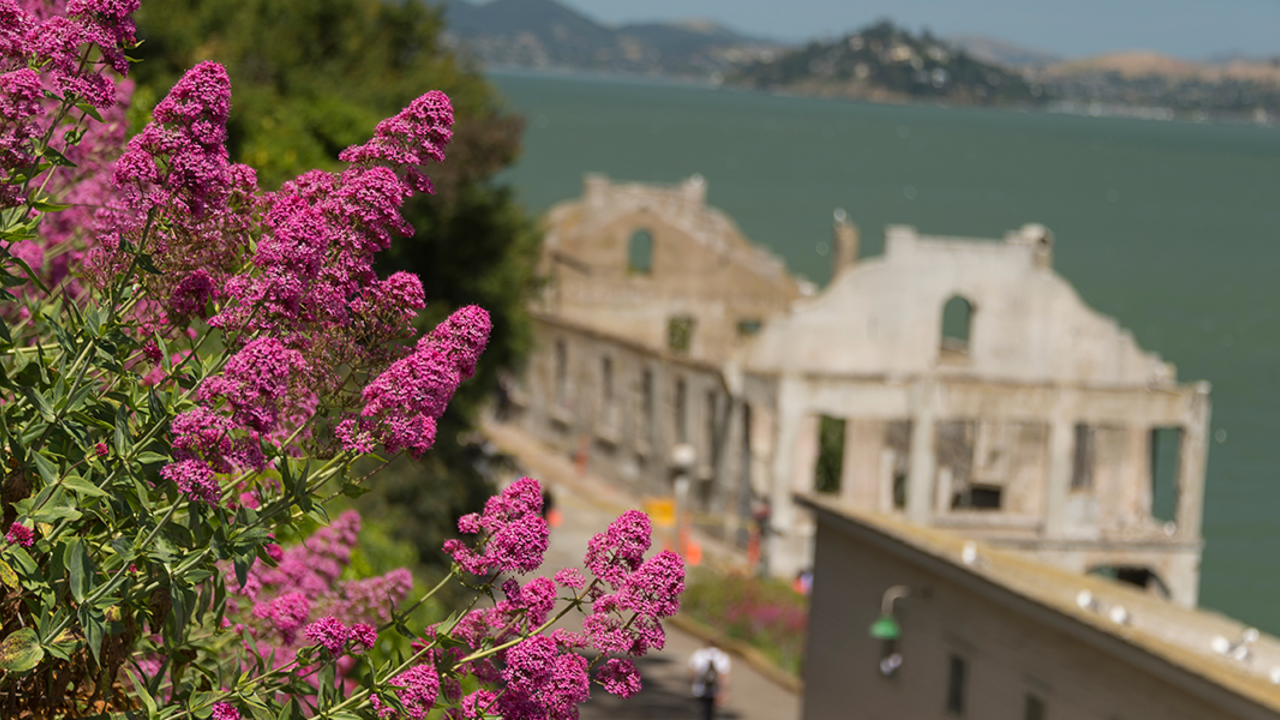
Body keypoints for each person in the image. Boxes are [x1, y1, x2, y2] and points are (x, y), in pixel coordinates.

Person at [688, 639, 731, 720]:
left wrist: (691, 683)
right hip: (714, 691)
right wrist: (723, 691)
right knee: (710, 714)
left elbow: (691, 672)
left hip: (698, 689)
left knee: (699, 712)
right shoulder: (722, 656)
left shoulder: (699, 654)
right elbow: (724, 676)